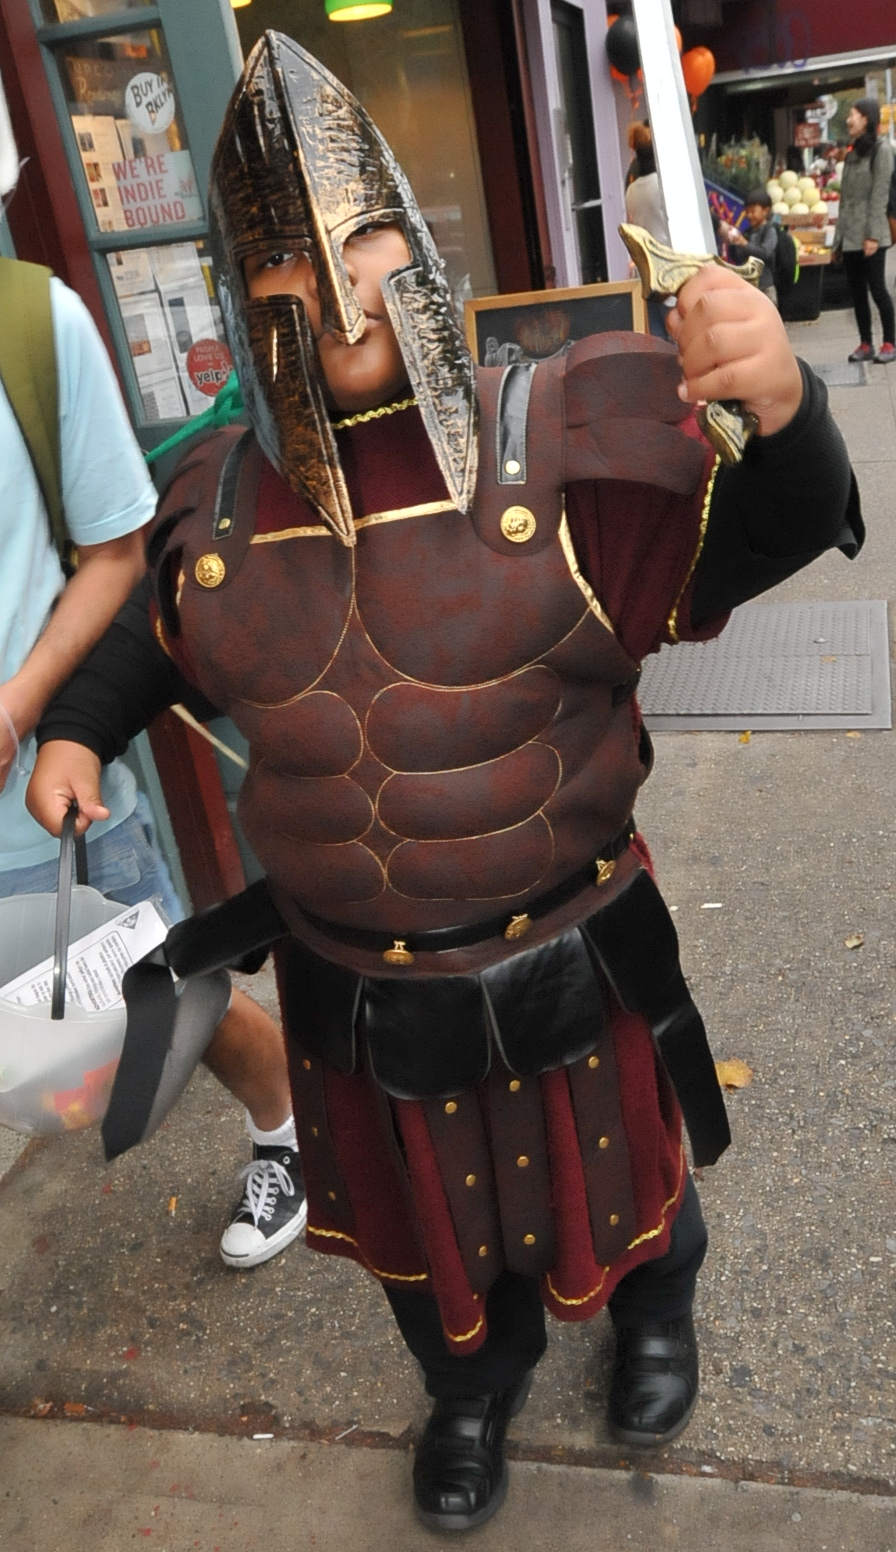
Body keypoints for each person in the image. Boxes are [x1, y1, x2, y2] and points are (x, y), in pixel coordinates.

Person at [27, 34, 862, 1534]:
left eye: (355, 240)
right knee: (429, 1222)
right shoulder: (220, 498)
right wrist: (80, 729)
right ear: (239, 289)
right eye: (283, 262)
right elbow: (162, 631)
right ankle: (470, 1387)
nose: (333, 291)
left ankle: (655, 1308)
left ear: (408, 242)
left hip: (568, 940)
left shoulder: (563, 440)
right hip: (356, 975)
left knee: (623, 1176)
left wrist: (787, 410)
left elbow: (774, 531)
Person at [0, 244, 304, 1268]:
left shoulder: (32, 326)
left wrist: (24, 714)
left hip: (37, 797)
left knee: (164, 989)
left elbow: (123, 554)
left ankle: (288, 1125)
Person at [833, 97, 895, 365]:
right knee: (857, 292)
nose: (849, 120)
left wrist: (872, 236)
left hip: (872, 234)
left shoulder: (882, 150)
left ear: (866, 119)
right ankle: (865, 343)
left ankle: (890, 343)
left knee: (878, 289)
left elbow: (880, 195)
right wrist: (837, 242)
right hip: (850, 236)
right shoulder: (852, 153)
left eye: (853, 115)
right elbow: (845, 201)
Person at [623, 123, 674, 338]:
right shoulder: (663, 186)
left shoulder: (631, 191)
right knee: (679, 333)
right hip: (670, 268)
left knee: (657, 335)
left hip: (647, 271)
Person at [721, 187, 780, 306]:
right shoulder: (747, 232)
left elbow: (765, 253)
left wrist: (745, 244)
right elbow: (738, 258)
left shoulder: (769, 231)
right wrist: (733, 243)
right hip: (748, 287)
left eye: (753, 211)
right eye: (747, 212)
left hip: (765, 287)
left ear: (765, 211)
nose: (749, 215)